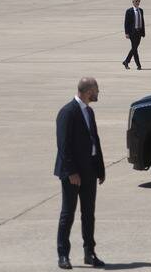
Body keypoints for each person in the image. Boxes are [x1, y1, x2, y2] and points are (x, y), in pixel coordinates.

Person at [54, 77, 105, 269]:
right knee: (68, 213)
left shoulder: (89, 112)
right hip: (73, 173)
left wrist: (99, 169)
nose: (98, 93)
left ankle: (89, 253)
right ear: (87, 91)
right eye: (96, 90)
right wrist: (71, 171)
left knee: (88, 213)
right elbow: (63, 146)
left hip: (89, 169)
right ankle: (63, 255)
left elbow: (94, 142)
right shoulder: (68, 112)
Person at [122, 0, 145, 70]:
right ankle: (139, 65)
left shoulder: (141, 10)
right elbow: (126, 23)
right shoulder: (129, 11)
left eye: (138, 1)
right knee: (135, 49)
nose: (138, 2)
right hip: (132, 32)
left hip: (139, 32)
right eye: (136, 1)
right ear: (133, 2)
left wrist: (143, 32)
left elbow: (142, 21)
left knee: (134, 48)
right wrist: (126, 33)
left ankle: (126, 61)